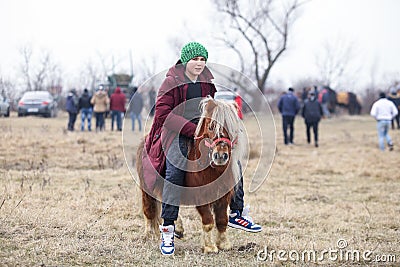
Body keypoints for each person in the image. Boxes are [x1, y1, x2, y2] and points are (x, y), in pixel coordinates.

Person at [142, 42, 261, 256]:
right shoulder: (171, 82)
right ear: (185, 60)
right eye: (195, 59)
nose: (199, 63)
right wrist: (193, 129)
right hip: (176, 132)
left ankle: (237, 211)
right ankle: (168, 228)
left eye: (202, 59)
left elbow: (211, 108)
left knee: (234, 163)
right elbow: (162, 114)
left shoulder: (207, 81)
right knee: (175, 171)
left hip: (204, 132)